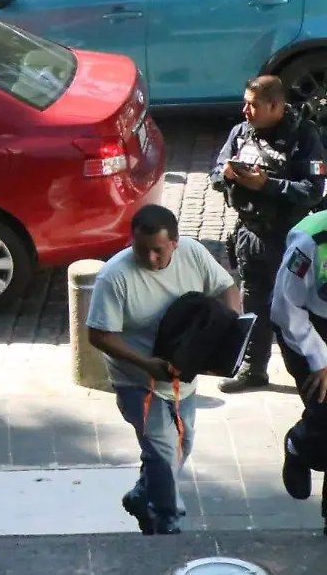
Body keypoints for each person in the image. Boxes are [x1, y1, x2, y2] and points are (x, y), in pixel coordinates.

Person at [86, 204, 241, 535]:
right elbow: (98, 335)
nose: (150, 259)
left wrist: (230, 333)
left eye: (158, 250)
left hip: (182, 375)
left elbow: (227, 288)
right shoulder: (114, 276)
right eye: (141, 250)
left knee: (182, 446)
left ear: (176, 242)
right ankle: (166, 520)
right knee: (162, 450)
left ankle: (143, 494)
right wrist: (146, 365)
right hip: (137, 381)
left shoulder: (194, 254)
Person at [211, 75, 326, 392]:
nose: (244, 110)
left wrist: (268, 185)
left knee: (295, 311)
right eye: (245, 102)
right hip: (250, 234)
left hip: (289, 240)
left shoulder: (304, 138)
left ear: (275, 106)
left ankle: (314, 371)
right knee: (254, 304)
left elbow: (314, 192)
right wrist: (225, 176)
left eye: (252, 105)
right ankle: (253, 369)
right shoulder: (241, 133)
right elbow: (215, 170)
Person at [269, 209, 327, 517]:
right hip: (307, 324)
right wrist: (320, 360)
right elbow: (285, 308)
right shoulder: (310, 244)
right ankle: (299, 444)